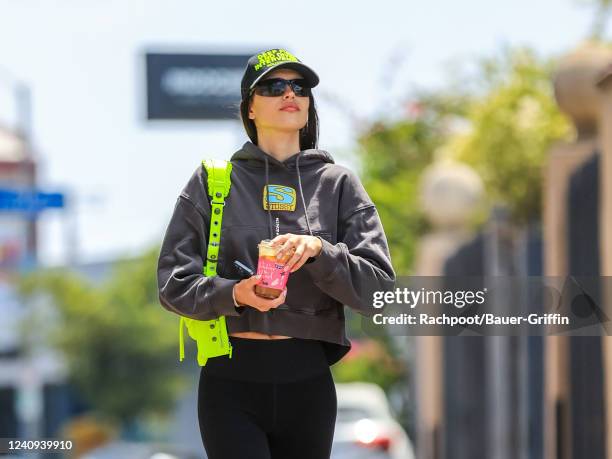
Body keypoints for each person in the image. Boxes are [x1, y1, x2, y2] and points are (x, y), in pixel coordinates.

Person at [157, 48, 395, 459]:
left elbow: (379, 290)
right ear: (250, 106)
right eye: (274, 86)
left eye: (299, 86)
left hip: (308, 381)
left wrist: (321, 251)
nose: (290, 94)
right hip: (230, 380)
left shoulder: (338, 185)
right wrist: (235, 293)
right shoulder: (213, 182)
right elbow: (172, 284)